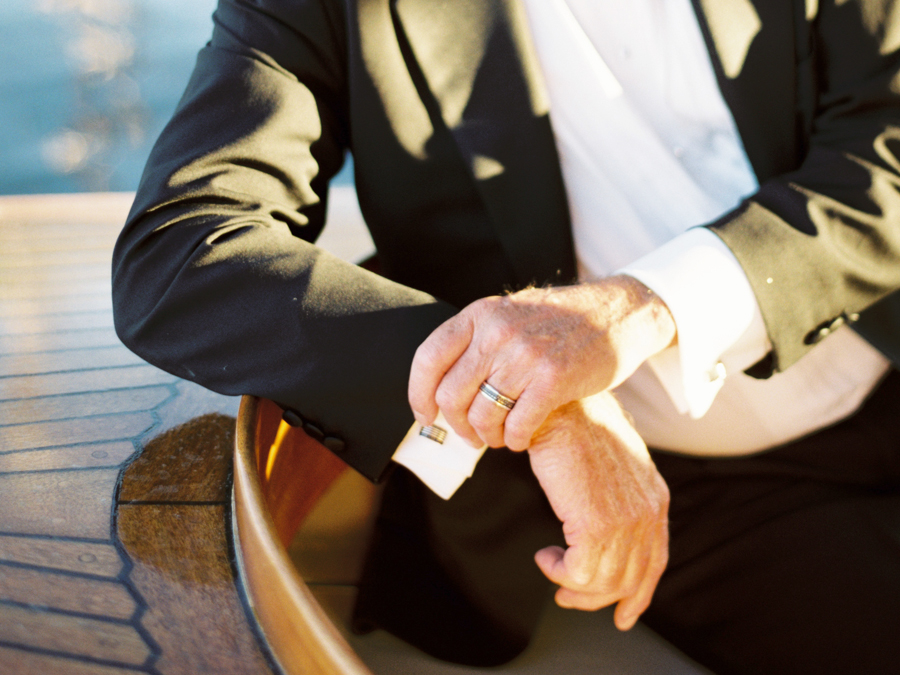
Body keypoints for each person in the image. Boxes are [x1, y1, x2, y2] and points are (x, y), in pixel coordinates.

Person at [112, 0, 900, 673]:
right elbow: (179, 251)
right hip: (680, 490)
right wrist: (526, 385)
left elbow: (886, 145)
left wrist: (640, 309)